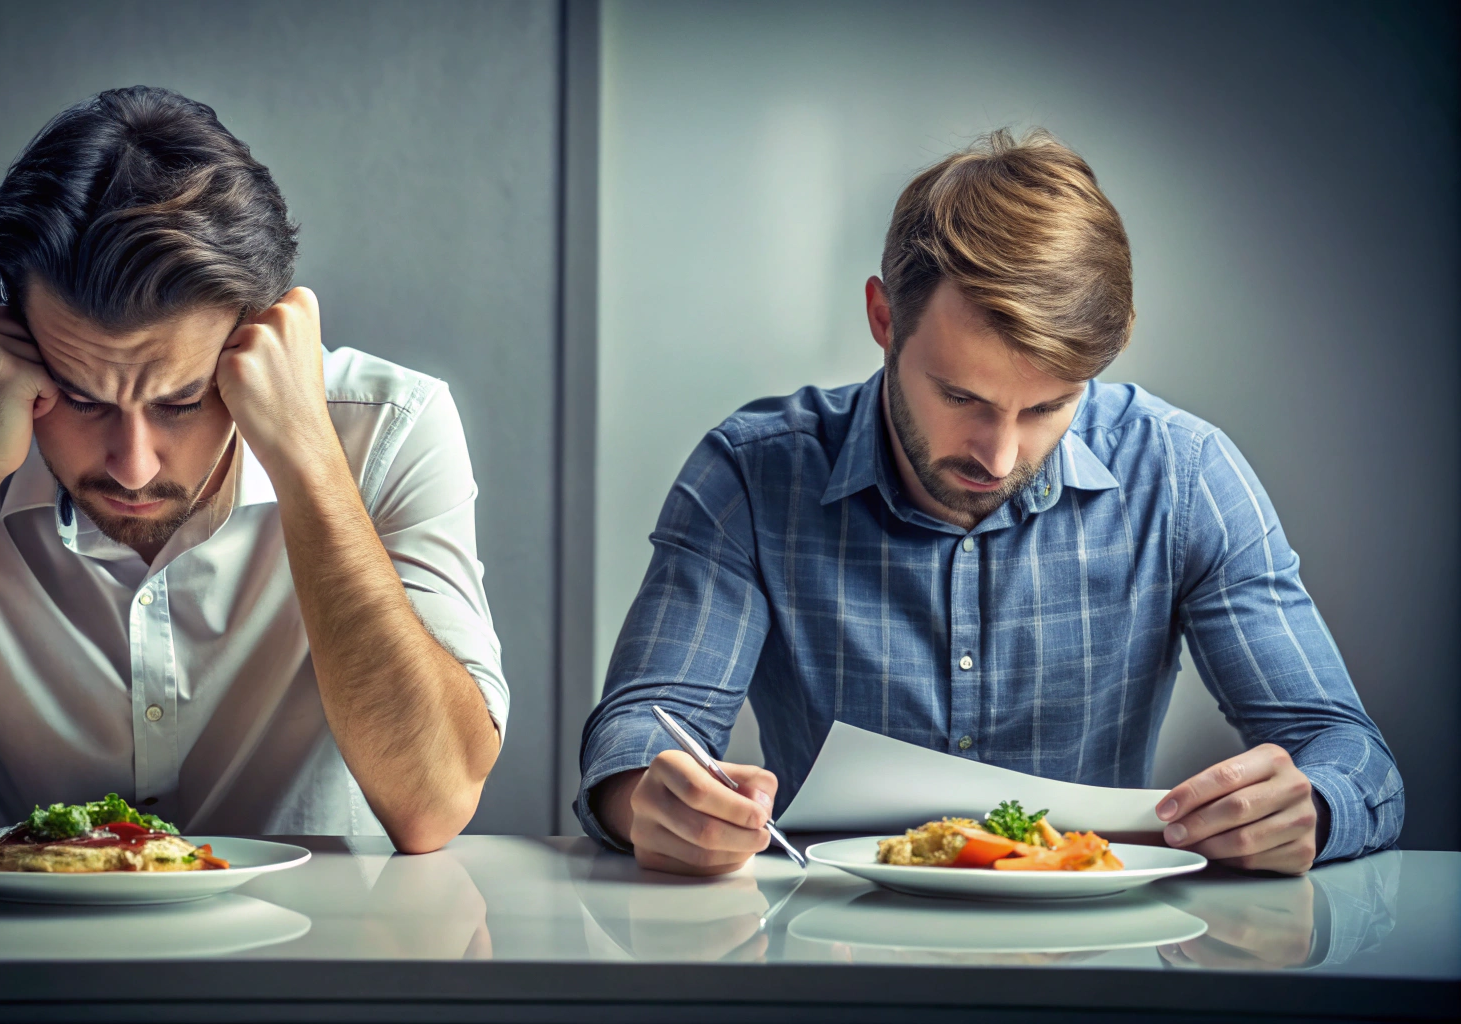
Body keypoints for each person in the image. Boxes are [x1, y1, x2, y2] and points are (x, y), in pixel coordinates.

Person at [576, 129, 1401, 877]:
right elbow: (647, 729)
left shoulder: (1183, 475)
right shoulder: (753, 476)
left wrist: (1316, 807)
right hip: (830, 954)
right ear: (882, 317)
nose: (1001, 456)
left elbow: (1348, 753)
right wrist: (649, 801)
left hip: (1094, 958)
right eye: (962, 397)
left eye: (1047, 407)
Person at [0, 87, 506, 856]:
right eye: (81, 398)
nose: (133, 468)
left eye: (182, 402)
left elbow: (433, 801)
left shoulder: (390, 429)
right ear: (16, 336)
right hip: (8, 957)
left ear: (259, 342)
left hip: (310, 956)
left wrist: (307, 454)